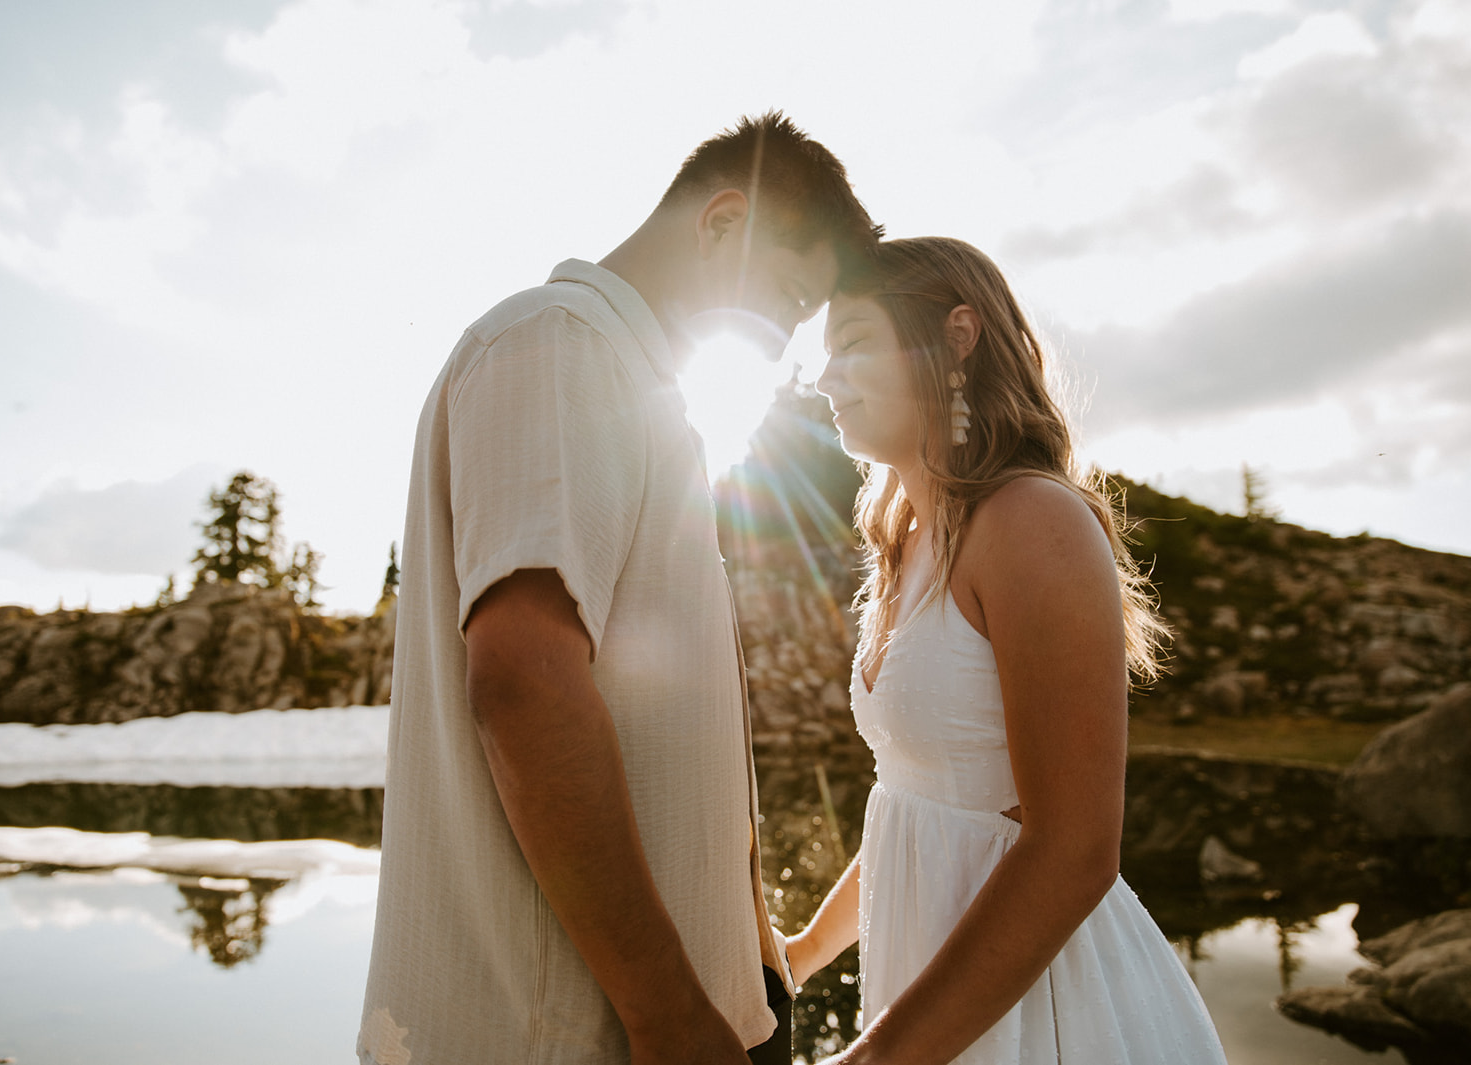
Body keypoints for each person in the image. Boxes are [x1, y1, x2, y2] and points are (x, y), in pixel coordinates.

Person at [356, 113, 881, 1065]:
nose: (778, 351)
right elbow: (526, 686)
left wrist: (743, 937)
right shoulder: (563, 349)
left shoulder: (626, 383)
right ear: (724, 224)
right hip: (567, 1034)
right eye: (788, 299)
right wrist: (670, 1014)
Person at [788, 237, 1229, 1064]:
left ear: (958, 337)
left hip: (1052, 1013)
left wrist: (877, 1057)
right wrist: (803, 950)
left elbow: (1073, 848)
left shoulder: (1033, 522)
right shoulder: (909, 541)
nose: (823, 378)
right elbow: (918, 806)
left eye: (852, 341)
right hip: (935, 999)